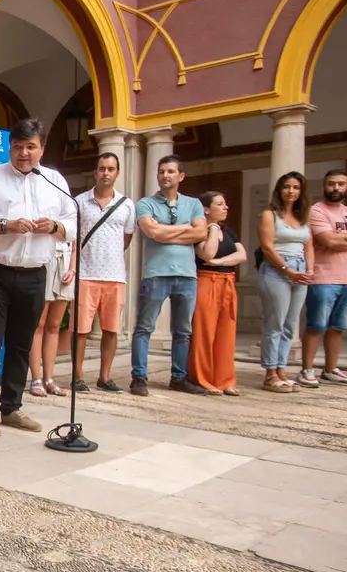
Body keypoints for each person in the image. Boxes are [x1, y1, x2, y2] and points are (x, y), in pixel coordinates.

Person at [0, 118, 76, 438]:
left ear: (41, 149)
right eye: (17, 147)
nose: (23, 153)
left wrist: (55, 227)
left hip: (35, 274)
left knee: (21, 344)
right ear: (9, 147)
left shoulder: (53, 180)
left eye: (30, 147)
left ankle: (11, 408)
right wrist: (5, 225)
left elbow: (74, 222)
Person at [130, 155, 208, 396]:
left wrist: (168, 231)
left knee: (183, 331)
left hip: (187, 275)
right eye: (162, 171)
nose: (165, 175)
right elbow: (152, 233)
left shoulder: (194, 204)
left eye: (171, 171)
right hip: (156, 274)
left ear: (180, 176)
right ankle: (139, 378)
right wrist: (185, 228)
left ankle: (179, 377)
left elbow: (201, 233)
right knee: (144, 327)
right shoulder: (145, 203)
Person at [299, 170, 347, 387]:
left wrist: (339, 237)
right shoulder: (316, 211)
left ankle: (331, 369)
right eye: (331, 184)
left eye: (341, 184)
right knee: (316, 325)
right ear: (324, 186)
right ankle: (306, 370)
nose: (336, 188)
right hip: (323, 277)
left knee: (338, 327)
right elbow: (327, 241)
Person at [71, 153, 135, 394]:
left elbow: (126, 238)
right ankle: (77, 376)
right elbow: (74, 238)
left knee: (111, 329)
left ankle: (104, 377)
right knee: (81, 329)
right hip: (85, 273)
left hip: (115, 275)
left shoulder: (127, 204)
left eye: (111, 169)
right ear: (95, 171)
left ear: (117, 172)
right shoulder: (79, 201)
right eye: (101, 169)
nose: (106, 173)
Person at [256, 171, 313, 392]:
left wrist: (309, 269)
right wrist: (287, 270)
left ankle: (282, 369)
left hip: (300, 271)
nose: (291, 191)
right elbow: (267, 247)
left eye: (296, 187)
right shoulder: (269, 215)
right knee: (275, 323)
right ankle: (270, 373)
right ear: (279, 190)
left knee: (291, 324)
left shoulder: (302, 218)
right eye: (287, 187)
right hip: (276, 270)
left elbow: (308, 246)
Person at [188, 191, 246, 395]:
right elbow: (207, 253)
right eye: (220, 204)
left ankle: (225, 380)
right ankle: (203, 379)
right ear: (206, 209)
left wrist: (220, 262)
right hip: (206, 280)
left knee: (226, 332)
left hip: (227, 282)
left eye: (225, 204)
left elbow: (242, 255)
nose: (226, 207)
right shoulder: (199, 231)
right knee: (205, 333)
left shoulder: (229, 231)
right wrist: (211, 227)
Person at [28, 240, 73, 397]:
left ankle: (49, 378)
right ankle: (36, 379)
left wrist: (73, 269)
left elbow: (76, 243)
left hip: (65, 262)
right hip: (45, 259)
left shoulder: (73, 214)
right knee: (38, 324)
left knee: (54, 325)